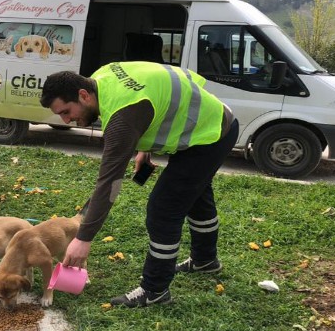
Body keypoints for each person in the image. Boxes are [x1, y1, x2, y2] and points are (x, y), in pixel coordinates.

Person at [40, 61, 239, 308]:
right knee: (195, 194)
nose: (67, 120)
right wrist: (144, 148)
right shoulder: (102, 74)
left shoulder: (122, 118)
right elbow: (152, 99)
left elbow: (109, 183)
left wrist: (83, 238)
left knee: (163, 210)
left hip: (212, 135)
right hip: (211, 122)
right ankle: (205, 261)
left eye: (66, 112)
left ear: (83, 95)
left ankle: (155, 291)